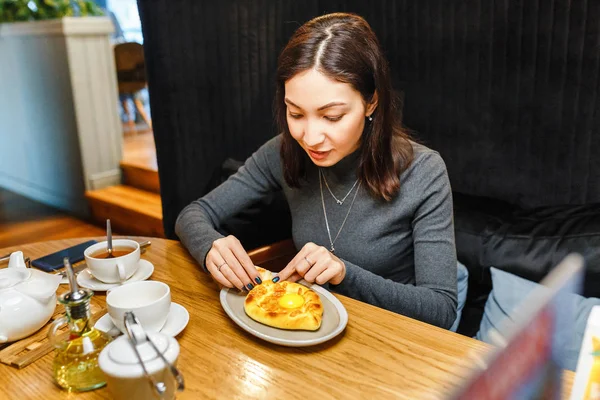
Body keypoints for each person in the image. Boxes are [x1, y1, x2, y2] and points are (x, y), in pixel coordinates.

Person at [175, 12, 457, 329]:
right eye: (295, 113)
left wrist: (343, 273)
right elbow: (193, 214)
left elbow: (441, 310)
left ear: (371, 102)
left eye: (332, 117)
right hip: (310, 331)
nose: (310, 138)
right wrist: (211, 247)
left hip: (394, 340)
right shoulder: (283, 152)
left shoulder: (424, 171)